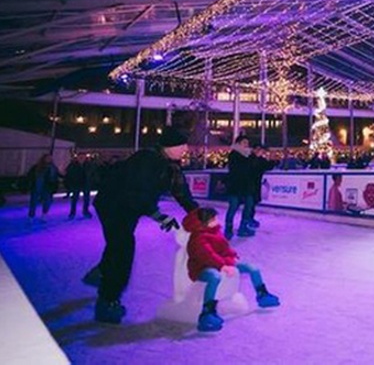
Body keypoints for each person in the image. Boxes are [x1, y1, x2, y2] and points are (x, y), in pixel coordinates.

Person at [88, 126, 199, 324]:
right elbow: (136, 193)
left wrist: (201, 217)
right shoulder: (146, 160)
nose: (186, 149)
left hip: (130, 208)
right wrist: (159, 216)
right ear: (169, 146)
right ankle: (107, 301)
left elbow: (182, 194)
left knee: (117, 243)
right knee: (122, 249)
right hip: (113, 204)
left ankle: (102, 271)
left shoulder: (172, 166)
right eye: (182, 145)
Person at [182, 207, 280, 332]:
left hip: (221, 262)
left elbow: (224, 248)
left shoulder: (215, 232)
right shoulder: (198, 238)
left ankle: (263, 295)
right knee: (214, 276)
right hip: (202, 267)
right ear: (204, 222)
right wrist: (223, 266)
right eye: (213, 219)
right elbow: (207, 255)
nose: (216, 220)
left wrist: (232, 257)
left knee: (252, 268)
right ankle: (207, 312)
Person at [225, 135, 256, 239]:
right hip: (235, 186)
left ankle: (243, 227)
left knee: (249, 205)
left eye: (247, 143)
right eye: (244, 142)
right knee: (233, 207)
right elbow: (238, 169)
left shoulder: (249, 155)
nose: (246, 145)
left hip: (247, 186)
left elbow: (253, 168)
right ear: (238, 143)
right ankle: (228, 228)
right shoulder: (234, 155)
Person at [248, 144, 276, 229]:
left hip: (255, 184)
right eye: (259, 150)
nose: (261, 152)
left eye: (262, 150)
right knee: (249, 203)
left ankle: (250, 219)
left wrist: (272, 159)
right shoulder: (249, 158)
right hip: (247, 184)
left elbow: (268, 166)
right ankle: (247, 220)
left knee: (253, 203)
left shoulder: (261, 160)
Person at [27, 154, 59, 221]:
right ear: (43, 159)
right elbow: (30, 176)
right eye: (47, 158)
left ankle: (44, 214)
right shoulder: (36, 167)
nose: (49, 159)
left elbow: (56, 176)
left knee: (47, 202)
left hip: (47, 188)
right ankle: (31, 216)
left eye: (50, 158)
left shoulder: (53, 168)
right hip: (37, 187)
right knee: (33, 202)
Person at [66, 152, 91, 219]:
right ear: (77, 158)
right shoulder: (73, 165)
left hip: (85, 184)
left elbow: (92, 173)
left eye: (83, 157)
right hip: (76, 184)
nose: (82, 158)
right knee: (74, 199)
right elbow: (69, 174)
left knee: (86, 199)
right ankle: (72, 213)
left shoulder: (88, 165)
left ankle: (85, 211)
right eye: (80, 157)